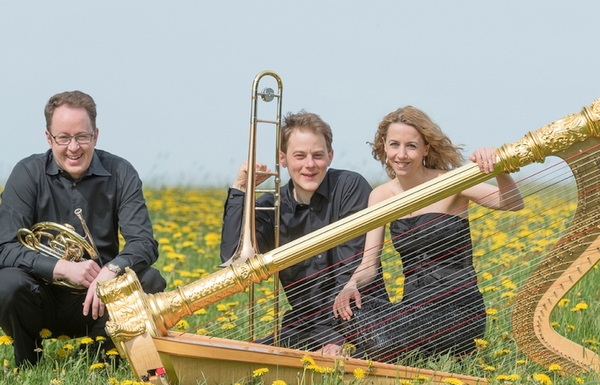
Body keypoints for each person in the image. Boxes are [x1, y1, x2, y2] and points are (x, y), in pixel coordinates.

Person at [332, 106, 524, 362]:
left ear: (425, 148)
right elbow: (369, 265)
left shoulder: (450, 182)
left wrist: (500, 168)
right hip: (411, 309)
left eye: (411, 146)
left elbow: (512, 202)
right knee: (346, 309)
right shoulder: (380, 196)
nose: (401, 154)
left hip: (457, 308)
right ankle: (393, 353)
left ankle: (390, 355)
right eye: (394, 145)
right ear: (384, 147)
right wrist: (350, 285)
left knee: (384, 341)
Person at [0, 90, 166, 367]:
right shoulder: (27, 173)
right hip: (42, 296)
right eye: (63, 138)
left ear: (95, 136)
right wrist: (61, 268)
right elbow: (4, 247)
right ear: (48, 138)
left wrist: (111, 271)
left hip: (99, 299)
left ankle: (100, 359)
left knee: (150, 280)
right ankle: (27, 363)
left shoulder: (121, 173)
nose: (73, 147)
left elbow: (144, 242)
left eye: (82, 137)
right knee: (6, 283)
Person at [220, 110, 389, 354]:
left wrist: (335, 341)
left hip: (360, 317)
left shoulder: (349, 187)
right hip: (307, 328)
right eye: (299, 156)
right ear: (283, 158)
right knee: (248, 355)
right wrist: (240, 191)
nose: (309, 165)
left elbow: (349, 270)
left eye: (317, 155)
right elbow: (233, 259)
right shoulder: (270, 206)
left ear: (330, 157)